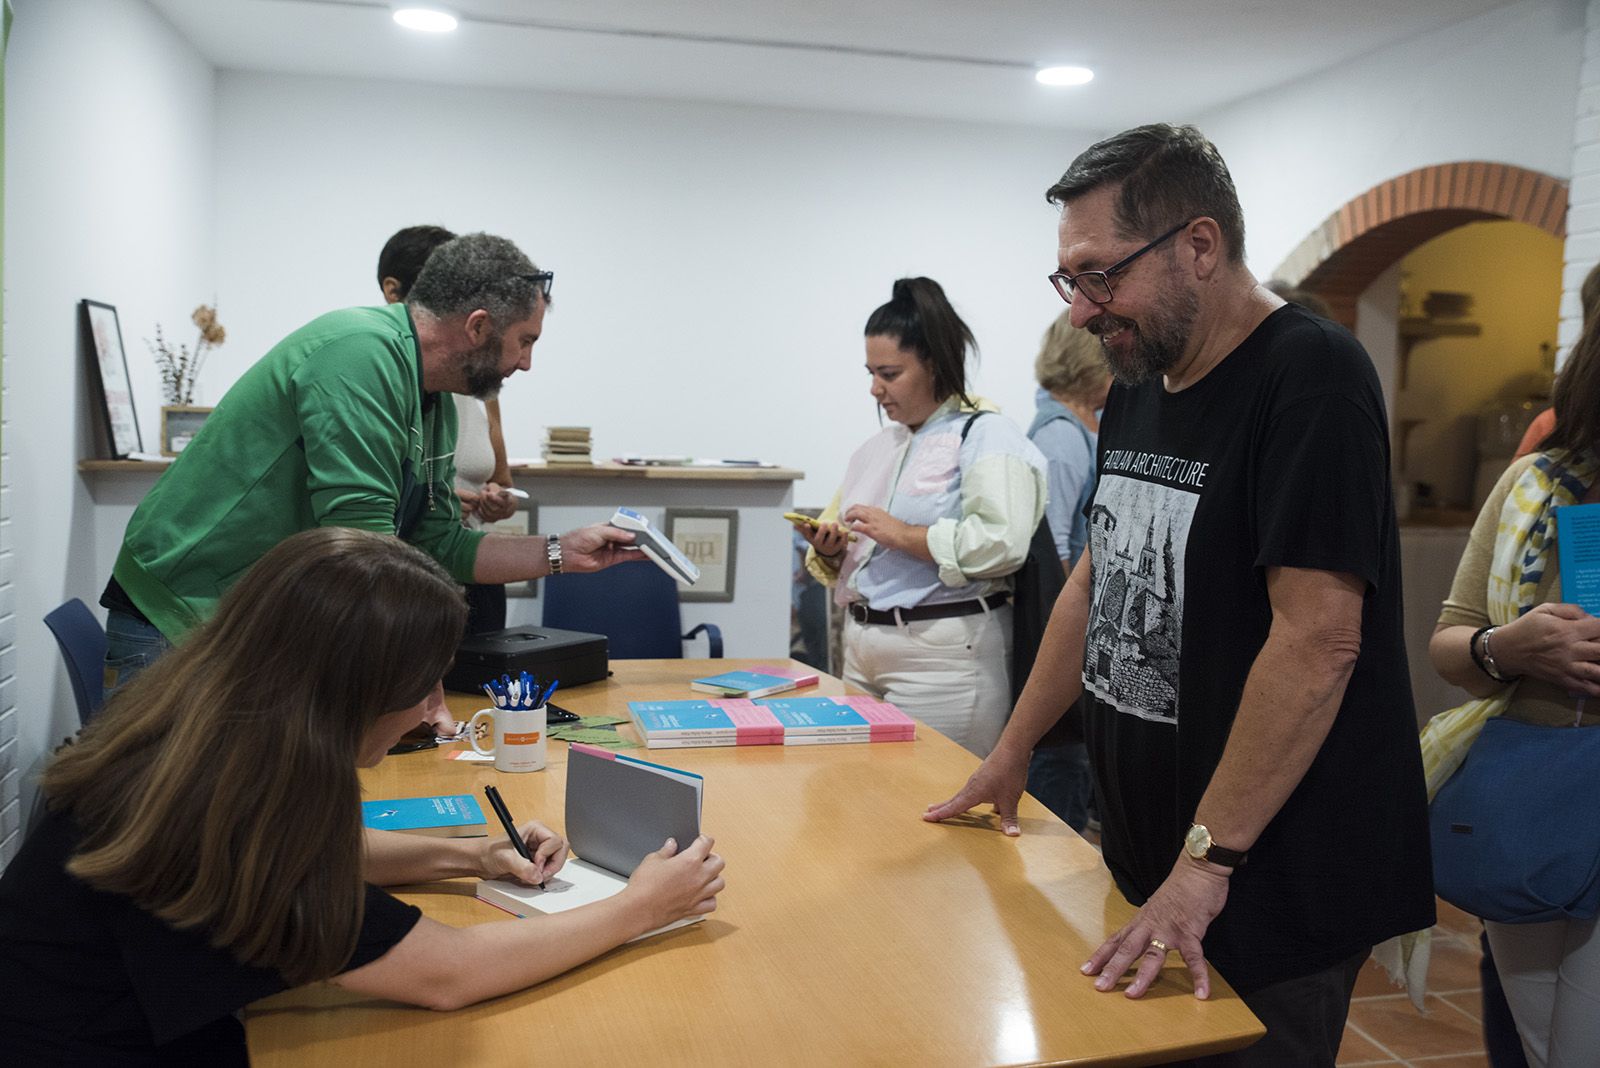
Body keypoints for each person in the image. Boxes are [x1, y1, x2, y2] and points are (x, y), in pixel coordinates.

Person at [925, 123, 1434, 1066]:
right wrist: (1014, 748)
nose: (1082, 312)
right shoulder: (1143, 381)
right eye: (1069, 281)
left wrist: (1206, 863)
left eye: (1099, 275)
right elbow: (1097, 574)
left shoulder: (1311, 377)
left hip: (1265, 877)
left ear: (1199, 245)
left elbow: (1319, 642)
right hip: (1157, 855)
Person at [0, 527, 724, 1063]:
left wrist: (472, 855)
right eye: (425, 687)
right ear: (351, 693)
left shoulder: (205, 739)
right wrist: (639, 908)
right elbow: (448, 973)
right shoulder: (220, 811)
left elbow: (312, 857)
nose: (436, 713)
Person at [99, 233, 637, 710]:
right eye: (526, 340)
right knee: (161, 817)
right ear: (478, 327)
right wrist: (415, 677)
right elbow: (363, 546)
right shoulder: (359, 351)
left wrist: (561, 552)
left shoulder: (436, 400)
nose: (525, 363)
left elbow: (441, 544)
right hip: (180, 615)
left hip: (250, 622)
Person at [1428, 312, 1600, 1068]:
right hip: (1530, 796)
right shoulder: (1533, 483)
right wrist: (1508, 647)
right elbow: (1451, 643)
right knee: (1542, 1048)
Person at [793, 277, 1045, 758]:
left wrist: (905, 535)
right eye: (870, 373)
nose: (875, 389)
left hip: (943, 657)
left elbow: (1003, 542)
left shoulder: (988, 435)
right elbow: (853, 545)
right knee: (864, 800)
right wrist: (831, 547)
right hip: (862, 644)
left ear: (933, 363)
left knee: (939, 803)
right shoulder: (879, 447)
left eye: (889, 373)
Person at [378, 224, 517, 634]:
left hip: (469, 565)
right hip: (402, 575)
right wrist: (427, 497)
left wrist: (499, 501)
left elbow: (502, 481)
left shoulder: (479, 385)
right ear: (393, 290)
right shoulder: (381, 377)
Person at [1023, 310, 1111, 832]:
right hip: (1065, 630)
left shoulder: (1075, 426)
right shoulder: (1061, 436)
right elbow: (1054, 544)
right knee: (1060, 762)